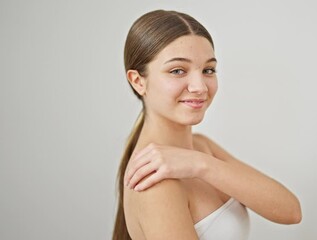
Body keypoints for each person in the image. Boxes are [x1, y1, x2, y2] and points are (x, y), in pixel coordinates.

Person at [112, 9, 302, 240]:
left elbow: (290, 211)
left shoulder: (202, 149)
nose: (200, 86)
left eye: (208, 70)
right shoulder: (154, 181)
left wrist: (200, 164)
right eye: (177, 70)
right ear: (138, 81)